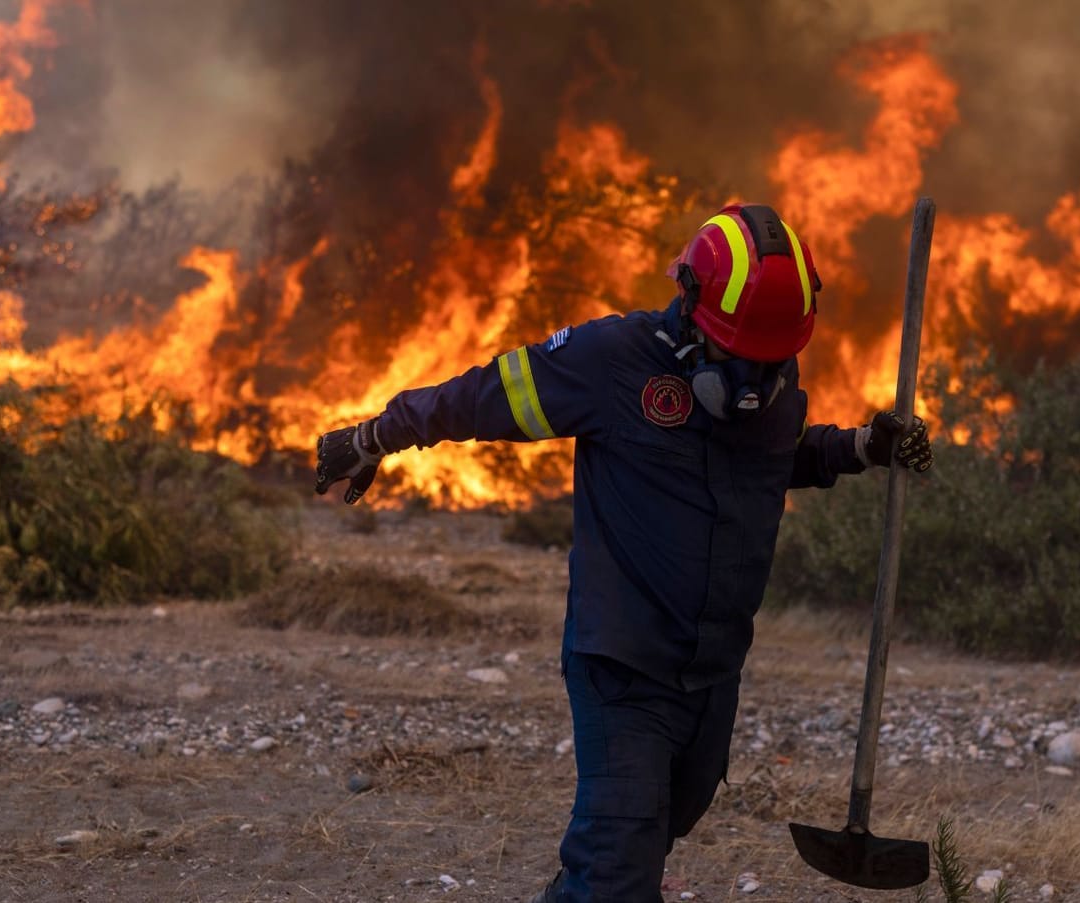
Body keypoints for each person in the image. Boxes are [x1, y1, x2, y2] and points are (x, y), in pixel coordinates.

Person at [314, 203, 933, 902]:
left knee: (657, 825)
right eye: (740, 358)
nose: (754, 382)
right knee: (617, 866)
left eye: (771, 361)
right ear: (693, 309)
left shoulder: (768, 389)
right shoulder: (608, 363)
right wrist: (372, 438)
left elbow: (771, 457)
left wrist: (860, 448)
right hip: (625, 666)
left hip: (712, 670)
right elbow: (477, 397)